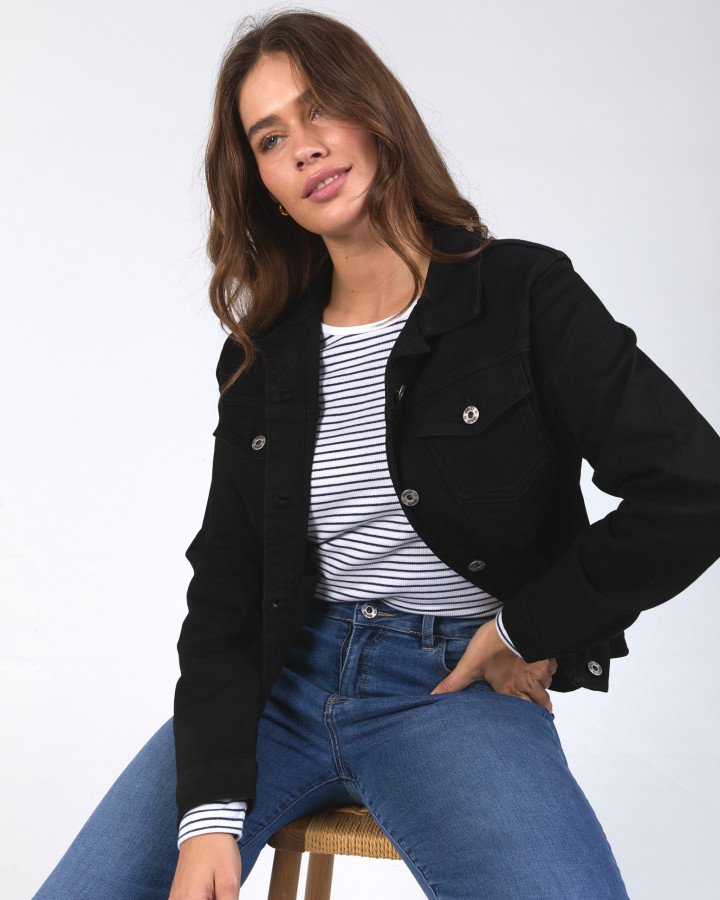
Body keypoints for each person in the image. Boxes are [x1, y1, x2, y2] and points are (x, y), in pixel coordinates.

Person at [32, 8, 720, 900]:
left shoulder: (524, 294)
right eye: (271, 138)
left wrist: (525, 628)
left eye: (320, 108)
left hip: (449, 688)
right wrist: (206, 816)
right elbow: (227, 584)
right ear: (265, 186)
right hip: (276, 685)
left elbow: (693, 490)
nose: (306, 147)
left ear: (376, 112)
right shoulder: (260, 357)